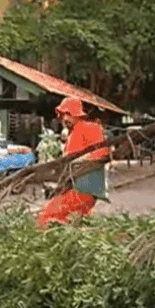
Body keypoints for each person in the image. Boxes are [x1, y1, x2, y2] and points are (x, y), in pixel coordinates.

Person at [38, 97, 112, 227]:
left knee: (48, 216)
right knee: (73, 221)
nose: (64, 119)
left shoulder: (90, 127)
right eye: (62, 115)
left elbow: (102, 153)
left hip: (85, 185)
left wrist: (80, 164)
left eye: (68, 114)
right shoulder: (72, 133)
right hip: (75, 184)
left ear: (76, 114)